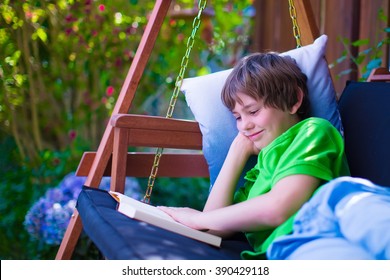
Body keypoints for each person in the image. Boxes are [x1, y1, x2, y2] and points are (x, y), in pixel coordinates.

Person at [159, 52, 350, 259]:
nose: (245, 126)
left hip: (320, 246)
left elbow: (279, 207)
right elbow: (213, 229)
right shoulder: (257, 171)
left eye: (253, 111)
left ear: (294, 100)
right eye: (238, 117)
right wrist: (236, 154)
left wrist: (196, 219)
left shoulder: (313, 132)